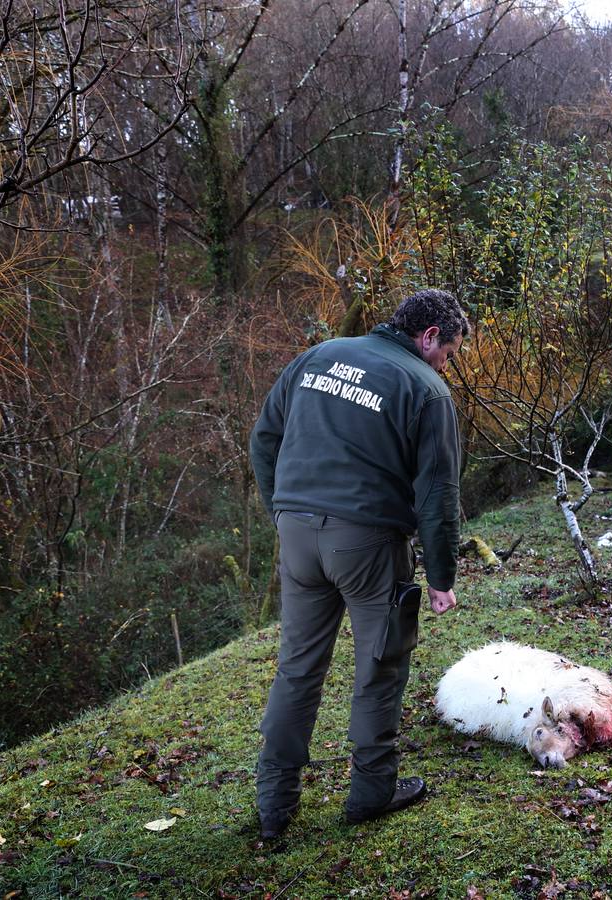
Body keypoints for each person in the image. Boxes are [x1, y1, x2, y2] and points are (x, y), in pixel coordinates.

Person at [249, 288, 469, 840]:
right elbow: (438, 495)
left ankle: (275, 805)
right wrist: (441, 577)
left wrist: (284, 511)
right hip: (368, 543)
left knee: (297, 668)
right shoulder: (425, 389)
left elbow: (264, 440)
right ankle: (372, 792)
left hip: (297, 535)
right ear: (429, 337)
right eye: (450, 351)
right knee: (381, 662)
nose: (449, 363)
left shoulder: (317, 357)